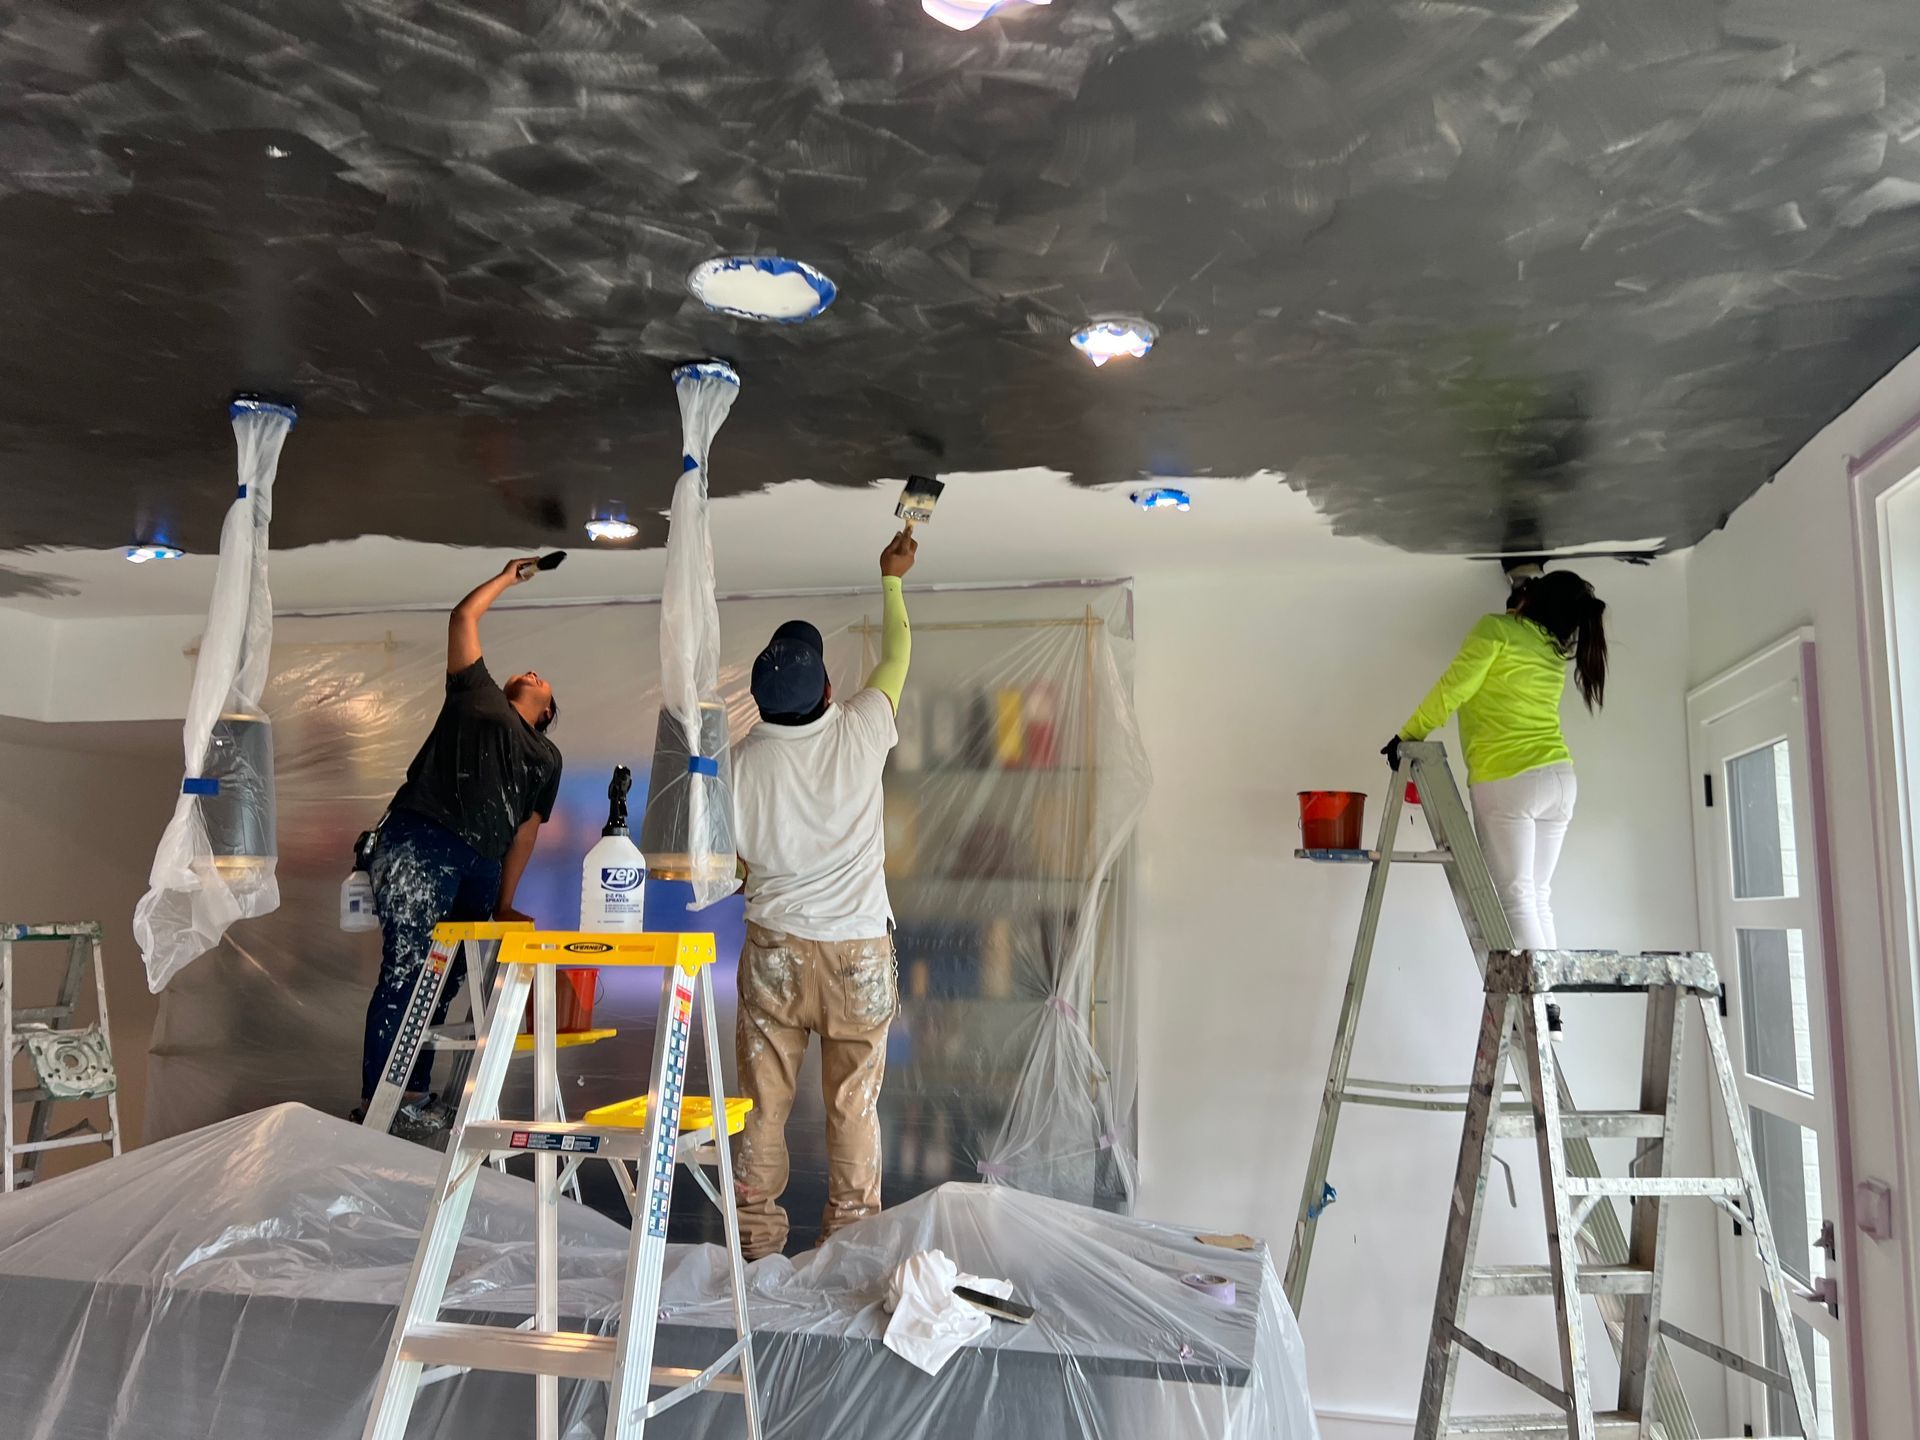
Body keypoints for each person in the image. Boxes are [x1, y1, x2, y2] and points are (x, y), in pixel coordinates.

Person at [728, 529, 916, 1258]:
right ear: (829, 691)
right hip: (858, 953)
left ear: (760, 702)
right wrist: (891, 579)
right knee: (853, 1105)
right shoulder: (864, 728)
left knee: (763, 1108)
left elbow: (734, 867)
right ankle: (851, 1246)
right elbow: (897, 657)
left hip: (775, 947)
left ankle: (756, 1248)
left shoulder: (738, 765)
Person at [356, 557, 563, 1127]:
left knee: (446, 981)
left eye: (544, 684)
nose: (533, 671)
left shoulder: (546, 756)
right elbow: (462, 616)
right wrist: (506, 577)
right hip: (422, 839)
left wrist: (503, 902)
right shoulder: (476, 692)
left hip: (482, 861)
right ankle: (385, 1105)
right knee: (407, 969)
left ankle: (417, 1095)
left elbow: (526, 833)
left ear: (545, 714)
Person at [1387, 568, 1608, 952]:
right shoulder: (1552, 648)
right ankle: (1550, 1007)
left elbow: (1454, 687)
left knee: (1517, 899)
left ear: (1534, 598)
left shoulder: (1497, 630)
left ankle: (1539, 1006)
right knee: (1537, 897)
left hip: (1509, 779)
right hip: (1559, 778)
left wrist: (1409, 734)